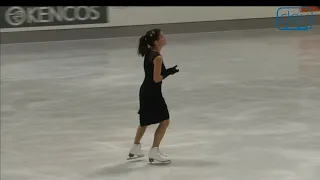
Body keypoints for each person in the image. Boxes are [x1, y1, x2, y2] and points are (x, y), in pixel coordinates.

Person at [128, 29, 179, 163]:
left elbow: (152, 75)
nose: (164, 37)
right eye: (162, 36)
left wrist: (167, 71)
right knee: (165, 121)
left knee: (144, 121)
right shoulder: (157, 57)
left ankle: (135, 147)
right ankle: (154, 151)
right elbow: (156, 78)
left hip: (145, 91)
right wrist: (168, 73)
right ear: (157, 41)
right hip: (153, 94)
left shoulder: (149, 53)